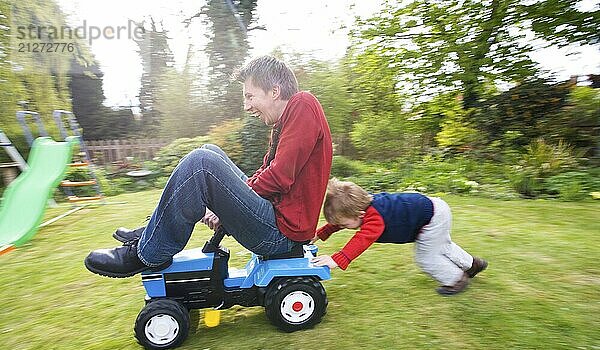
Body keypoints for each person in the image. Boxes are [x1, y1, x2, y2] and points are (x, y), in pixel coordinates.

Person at [85, 55, 333, 278]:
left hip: (281, 234)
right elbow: (268, 172)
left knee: (201, 163)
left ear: (275, 91)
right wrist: (230, 201)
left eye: (249, 96)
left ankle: (148, 254)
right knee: (208, 151)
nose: (246, 106)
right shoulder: (284, 121)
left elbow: (279, 177)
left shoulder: (302, 104)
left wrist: (226, 205)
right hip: (276, 218)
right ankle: (153, 233)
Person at [310, 179, 488, 295]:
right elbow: (339, 223)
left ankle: (456, 279)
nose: (342, 227)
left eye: (345, 225)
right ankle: (472, 265)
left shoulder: (375, 218)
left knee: (427, 257)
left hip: (431, 219)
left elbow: (362, 240)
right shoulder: (363, 208)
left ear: (360, 214)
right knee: (442, 246)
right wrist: (319, 234)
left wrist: (337, 259)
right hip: (436, 208)